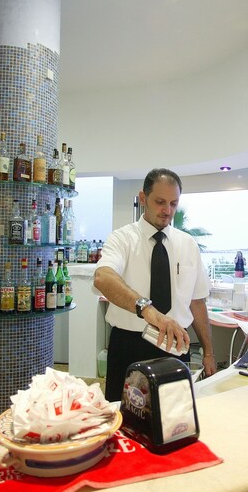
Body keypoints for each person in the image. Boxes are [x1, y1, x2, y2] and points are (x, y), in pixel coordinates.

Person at [93, 168, 217, 402]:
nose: (167, 210)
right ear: (143, 198)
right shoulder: (122, 239)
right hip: (130, 345)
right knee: (125, 414)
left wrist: (209, 353)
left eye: (173, 203)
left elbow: (197, 302)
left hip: (176, 346)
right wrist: (149, 311)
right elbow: (103, 277)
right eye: (160, 202)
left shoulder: (188, 244)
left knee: (175, 413)